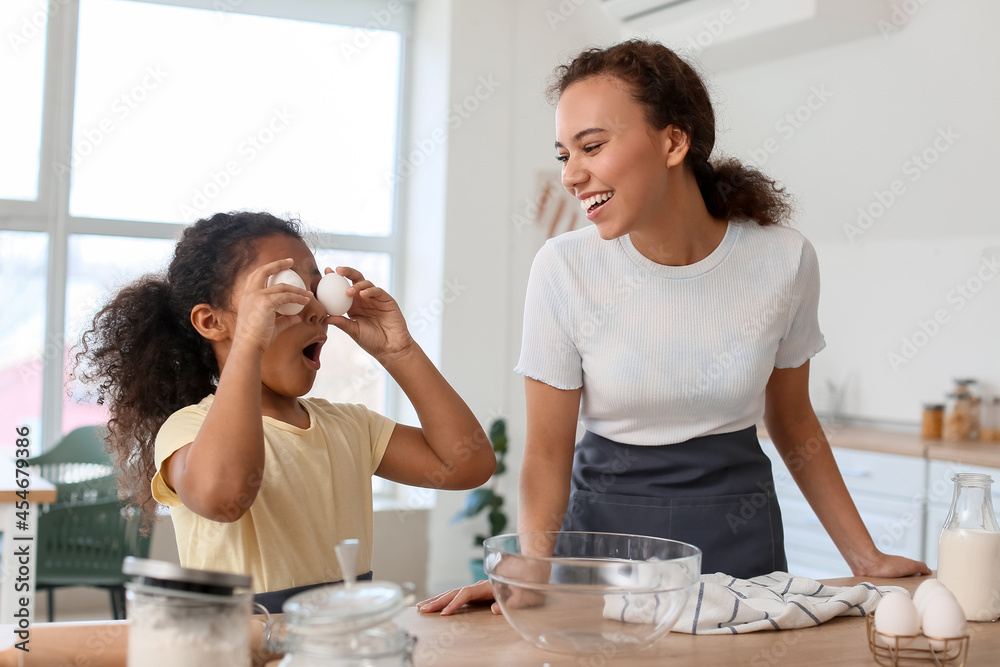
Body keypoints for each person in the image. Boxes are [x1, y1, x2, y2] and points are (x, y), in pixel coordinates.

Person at [419, 39, 928, 616]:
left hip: (741, 542)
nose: (571, 175)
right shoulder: (564, 268)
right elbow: (545, 454)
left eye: (592, 146)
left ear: (674, 141)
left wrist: (865, 557)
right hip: (603, 550)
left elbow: (792, 420)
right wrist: (530, 570)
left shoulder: (783, 260)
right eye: (564, 154)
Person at [75, 211, 496, 612]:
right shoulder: (188, 430)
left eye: (317, 290)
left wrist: (399, 351)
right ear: (211, 322)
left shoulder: (350, 426)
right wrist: (249, 346)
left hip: (336, 647)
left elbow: (466, 464)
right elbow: (224, 497)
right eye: (285, 290)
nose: (316, 308)